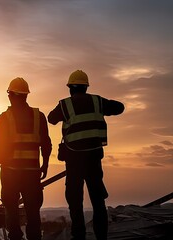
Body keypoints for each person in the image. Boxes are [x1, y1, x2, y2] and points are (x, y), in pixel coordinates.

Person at [48, 70, 124, 240]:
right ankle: (101, 236)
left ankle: (79, 237)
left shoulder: (65, 105)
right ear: (86, 87)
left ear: (70, 88)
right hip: (94, 160)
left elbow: (51, 118)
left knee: (75, 203)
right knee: (98, 202)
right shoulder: (97, 101)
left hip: (74, 161)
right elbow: (120, 107)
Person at [0, 77, 52, 240]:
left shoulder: (3, 118)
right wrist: (45, 165)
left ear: (10, 94)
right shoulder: (39, 117)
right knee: (33, 214)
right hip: (32, 174)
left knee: (12, 213)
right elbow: (46, 144)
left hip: (10, 174)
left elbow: (0, 148)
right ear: (26, 95)